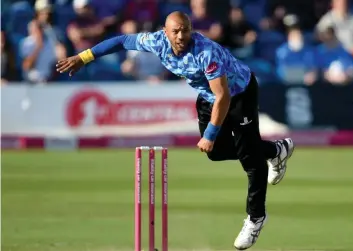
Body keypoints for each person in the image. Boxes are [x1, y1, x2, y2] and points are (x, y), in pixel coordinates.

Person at [56, 11, 295, 250]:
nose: (181, 36)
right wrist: (84, 57)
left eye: (185, 30)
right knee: (216, 153)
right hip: (207, 97)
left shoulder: (206, 52)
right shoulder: (156, 41)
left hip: (239, 93)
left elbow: (223, 97)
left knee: (250, 160)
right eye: (175, 31)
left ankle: (256, 218)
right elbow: (120, 41)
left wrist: (210, 135)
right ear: (165, 32)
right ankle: (275, 149)